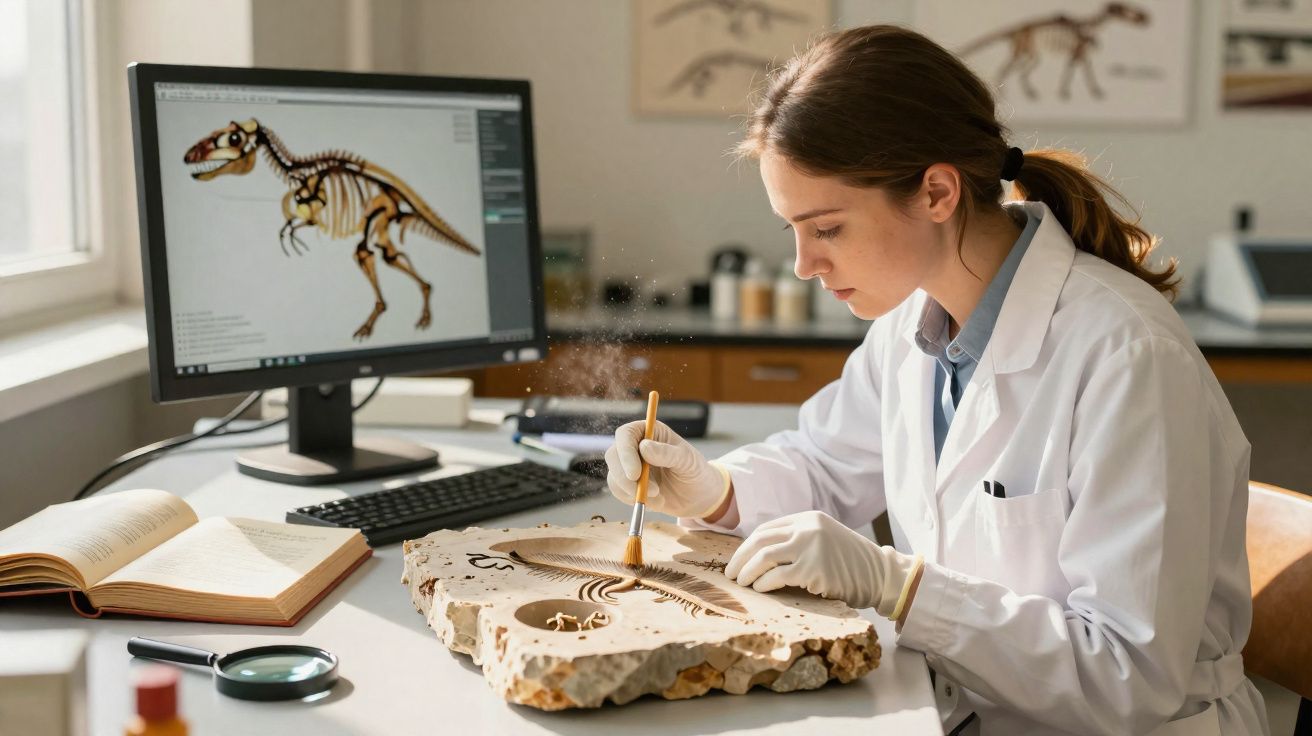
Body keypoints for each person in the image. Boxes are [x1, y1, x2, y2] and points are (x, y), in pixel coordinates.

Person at [604, 25, 1269, 736]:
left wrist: (898, 588)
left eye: (826, 229)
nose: (803, 264)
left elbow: (1125, 676)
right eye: (792, 230)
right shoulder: (916, 324)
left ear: (937, 192)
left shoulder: (1127, 357)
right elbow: (827, 464)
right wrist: (715, 489)